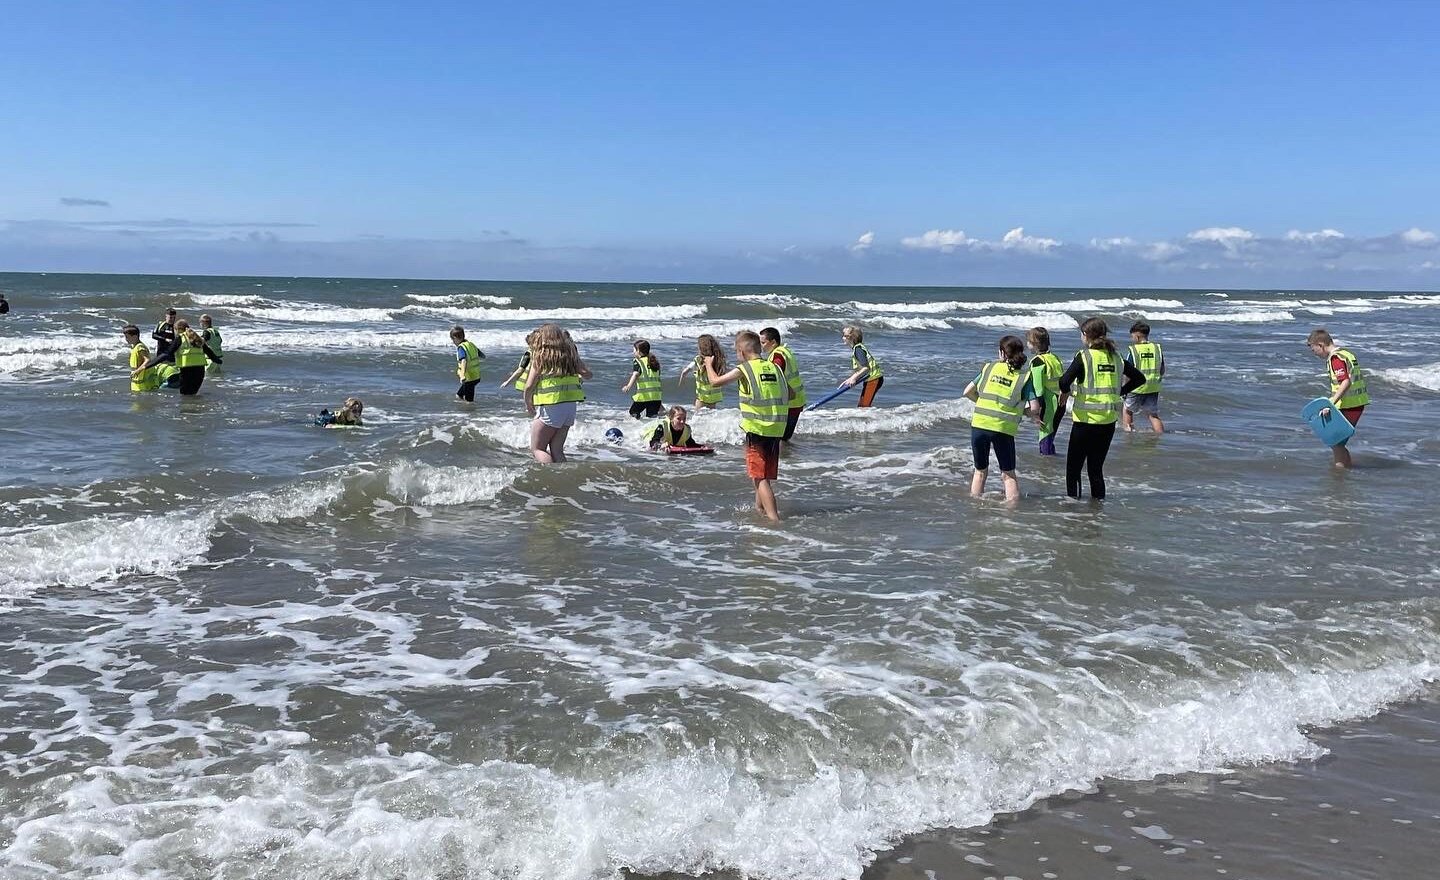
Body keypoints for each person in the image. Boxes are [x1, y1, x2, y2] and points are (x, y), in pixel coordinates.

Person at [705, 330, 790, 522]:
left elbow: (714, 382)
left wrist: (708, 365)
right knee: (761, 474)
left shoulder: (744, 369)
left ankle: (774, 520)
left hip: (757, 429)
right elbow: (790, 394)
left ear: (742, 351)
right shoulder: (774, 368)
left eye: (736, 351)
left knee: (760, 478)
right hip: (776, 428)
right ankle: (759, 509)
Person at [1056, 318, 1146, 499]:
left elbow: (1064, 381)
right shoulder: (1117, 357)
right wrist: (1120, 391)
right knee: (1095, 470)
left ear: (1086, 335)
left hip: (1085, 421)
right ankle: (1097, 510)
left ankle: (1073, 509)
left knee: (1073, 469)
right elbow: (1139, 379)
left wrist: (1064, 393)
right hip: (1107, 423)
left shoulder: (1085, 356)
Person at [964, 335, 1043, 502]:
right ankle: (1011, 515)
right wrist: (1029, 414)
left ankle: (975, 508)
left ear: (1001, 353)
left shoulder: (989, 368)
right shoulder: (1024, 376)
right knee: (1008, 474)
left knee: (980, 471)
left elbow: (967, 392)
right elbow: (1034, 407)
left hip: (980, 425)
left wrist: (984, 402)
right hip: (1003, 429)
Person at [523, 323, 592, 464]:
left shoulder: (540, 357)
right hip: (570, 407)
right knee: (557, 449)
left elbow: (529, 385)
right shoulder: (570, 356)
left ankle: (551, 477)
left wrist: (528, 403)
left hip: (551, 406)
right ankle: (563, 476)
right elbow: (588, 375)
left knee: (537, 449)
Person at [1307, 328, 1370, 469]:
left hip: (1349, 405)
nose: (1314, 354)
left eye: (1313, 350)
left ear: (1321, 345)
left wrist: (1330, 403)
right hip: (1355, 403)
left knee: (1336, 442)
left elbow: (1345, 382)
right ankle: (1346, 469)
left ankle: (1340, 475)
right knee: (1337, 443)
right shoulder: (1346, 353)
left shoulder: (1335, 359)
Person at [134, 319, 216, 396]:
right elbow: (209, 352)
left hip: (187, 372)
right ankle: (195, 409)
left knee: (185, 396)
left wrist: (145, 366)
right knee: (192, 395)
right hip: (200, 371)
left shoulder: (180, 338)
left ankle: (190, 410)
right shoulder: (197, 338)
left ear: (177, 329)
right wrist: (218, 361)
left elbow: (166, 354)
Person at [760, 326, 807, 441]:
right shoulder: (785, 351)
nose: (761, 345)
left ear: (773, 342)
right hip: (797, 401)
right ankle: (786, 457)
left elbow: (776, 378)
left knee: (780, 438)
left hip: (789, 403)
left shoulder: (777, 356)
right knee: (784, 438)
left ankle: (785, 458)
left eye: (763, 342)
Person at [1026, 327, 1065, 456]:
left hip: (1048, 404)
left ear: (1035, 344)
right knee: (1051, 434)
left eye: (1028, 342)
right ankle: (1052, 461)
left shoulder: (1037, 361)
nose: (1027, 344)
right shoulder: (1054, 358)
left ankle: (1046, 466)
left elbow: (1038, 389)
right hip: (1060, 401)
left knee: (1045, 435)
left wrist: (1038, 411)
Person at [1122, 320, 1165, 434]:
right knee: (1153, 414)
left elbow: (1128, 372)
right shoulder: (1157, 349)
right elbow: (1162, 369)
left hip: (1136, 387)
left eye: (1132, 336)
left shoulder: (1134, 350)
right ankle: (1160, 436)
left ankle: (1129, 434)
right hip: (1153, 386)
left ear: (1137, 336)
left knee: (1128, 410)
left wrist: (1125, 388)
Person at [677, 334, 727, 409]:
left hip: (702, 397)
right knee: (710, 415)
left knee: (698, 416)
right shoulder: (718, 361)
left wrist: (681, 383)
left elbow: (684, 372)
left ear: (700, 348)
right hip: (713, 397)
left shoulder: (698, 360)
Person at [839, 325, 884, 406]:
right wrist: (850, 379)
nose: (843, 338)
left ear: (852, 338)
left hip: (874, 379)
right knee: (862, 405)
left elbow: (866, 368)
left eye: (845, 336)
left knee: (864, 406)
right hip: (871, 379)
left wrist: (853, 378)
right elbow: (862, 369)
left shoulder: (858, 350)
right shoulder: (856, 349)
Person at [620, 339, 664, 419]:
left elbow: (636, 374)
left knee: (633, 412)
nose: (633, 352)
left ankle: (637, 428)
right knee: (652, 417)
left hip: (644, 396)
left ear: (639, 351)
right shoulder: (654, 361)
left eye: (634, 350)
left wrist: (628, 386)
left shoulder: (638, 361)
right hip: (656, 396)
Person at [450, 326, 486, 402]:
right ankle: (466, 411)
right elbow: (481, 355)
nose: (453, 342)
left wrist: (462, 375)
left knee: (469, 401)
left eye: (453, 339)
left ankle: (470, 412)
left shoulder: (461, 348)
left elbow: (464, 361)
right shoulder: (471, 345)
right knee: (459, 395)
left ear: (456, 338)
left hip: (469, 378)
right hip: (476, 377)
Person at [122, 325, 161, 392]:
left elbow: (147, 360)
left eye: (127, 337)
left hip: (144, 382)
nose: (126, 339)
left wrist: (138, 371)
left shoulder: (140, 347)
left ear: (135, 336)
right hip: (138, 380)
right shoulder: (134, 346)